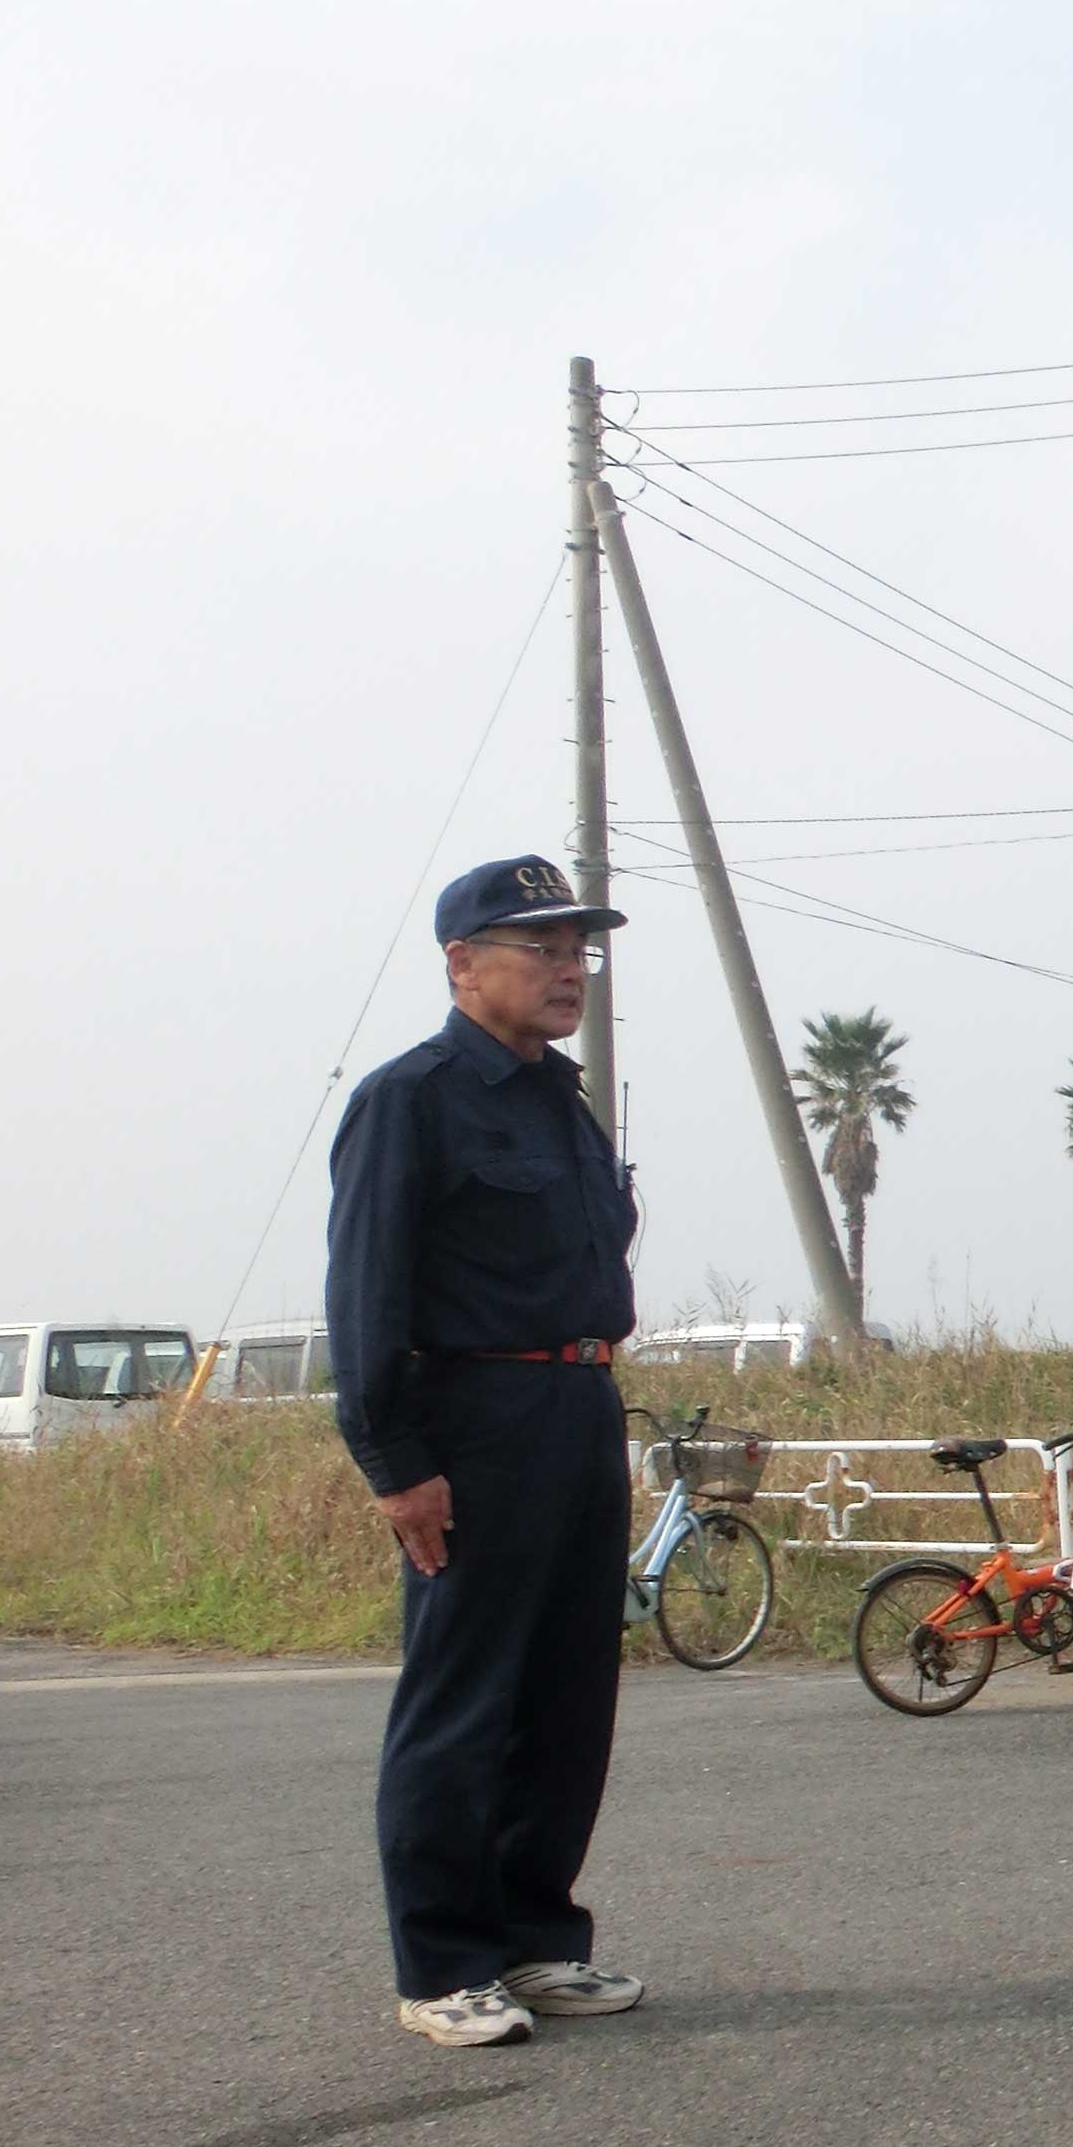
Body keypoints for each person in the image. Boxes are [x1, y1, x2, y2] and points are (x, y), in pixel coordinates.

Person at [326, 857, 652, 2050]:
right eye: (542, 949)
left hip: (580, 1406)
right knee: (464, 1698)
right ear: (462, 964)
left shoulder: (562, 1099)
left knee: (567, 1696)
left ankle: (533, 1937)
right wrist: (395, 1461)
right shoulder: (409, 1099)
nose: (570, 972)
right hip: (476, 1420)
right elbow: (366, 1292)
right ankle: (443, 1965)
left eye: (579, 951)